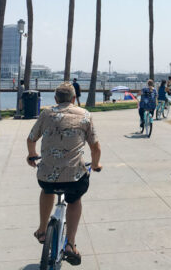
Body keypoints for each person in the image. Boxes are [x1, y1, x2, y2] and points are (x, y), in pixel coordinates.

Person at [26, 82, 101, 266]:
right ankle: (70, 243)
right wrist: (97, 164)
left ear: (55, 99)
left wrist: (32, 154)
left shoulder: (46, 113)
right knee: (74, 200)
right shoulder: (85, 115)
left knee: (46, 190)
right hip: (74, 177)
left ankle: (43, 230)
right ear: (74, 99)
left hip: (46, 177)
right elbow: (96, 147)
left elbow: (30, 139)